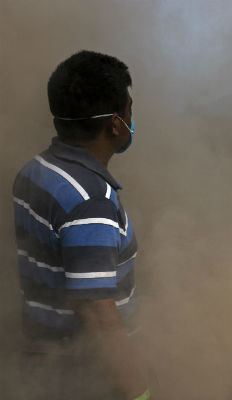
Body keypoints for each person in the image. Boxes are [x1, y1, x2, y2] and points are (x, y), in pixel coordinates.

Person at [13, 50, 150, 400]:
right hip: (84, 375)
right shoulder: (92, 201)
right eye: (129, 110)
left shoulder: (36, 170)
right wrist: (137, 392)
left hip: (39, 358)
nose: (132, 120)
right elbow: (97, 311)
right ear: (115, 124)